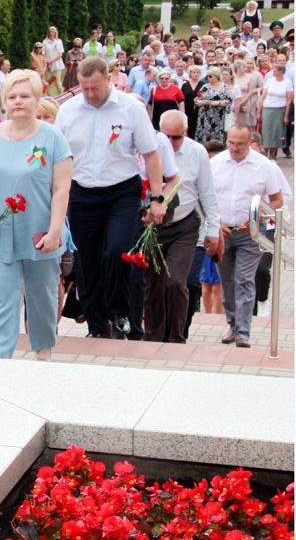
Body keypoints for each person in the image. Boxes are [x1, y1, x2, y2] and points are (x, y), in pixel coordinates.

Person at [0, 69, 72, 360]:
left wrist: (55, 230)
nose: (18, 102)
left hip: (39, 233)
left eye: (24, 96)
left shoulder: (53, 138)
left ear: (37, 99)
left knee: (42, 299)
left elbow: (62, 188)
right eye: (11, 96)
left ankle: (43, 355)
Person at [55, 57, 166, 339]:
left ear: (109, 79)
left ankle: (119, 311)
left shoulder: (130, 108)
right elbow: (57, 158)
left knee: (117, 251)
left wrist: (157, 198)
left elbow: (151, 155)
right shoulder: (67, 111)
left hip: (121, 191)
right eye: (84, 88)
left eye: (95, 87)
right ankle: (96, 325)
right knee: (87, 261)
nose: (90, 94)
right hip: (82, 192)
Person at [144, 110, 221, 343]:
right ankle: (154, 335)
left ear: (186, 133)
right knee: (154, 284)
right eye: (165, 135)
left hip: (184, 226)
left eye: (175, 137)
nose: (169, 142)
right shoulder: (148, 149)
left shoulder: (197, 153)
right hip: (154, 227)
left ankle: (177, 337)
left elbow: (207, 193)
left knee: (176, 281)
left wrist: (213, 230)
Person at [211, 126, 284, 348]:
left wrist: (257, 217)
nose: (234, 147)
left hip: (250, 233)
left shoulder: (264, 166)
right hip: (222, 232)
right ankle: (232, 325)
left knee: (244, 279)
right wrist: (215, 222)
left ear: (249, 141)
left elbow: (277, 200)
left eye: (240, 144)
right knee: (227, 281)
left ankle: (243, 332)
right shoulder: (216, 163)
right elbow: (205, 196)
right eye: (231, 142)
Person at [259, 57, 294, 161]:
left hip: (280, 109)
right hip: (267, 108)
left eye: (275, 70)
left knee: (277, 132)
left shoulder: (287, 82)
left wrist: (286, 115)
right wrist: (259, 111)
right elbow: (263, 96)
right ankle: (265, 155)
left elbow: (289, 100)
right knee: (266, 131)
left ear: (281, 72)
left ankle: (273, 156)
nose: (273, 72)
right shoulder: (269, 80)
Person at [195, 66, 231, 143]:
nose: (208, 78)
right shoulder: (204, 87)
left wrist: (218, 103)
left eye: (210, 76)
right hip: (205, 117)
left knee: (217, 138)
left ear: (216, 76)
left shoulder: (224, 87)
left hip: (218, 118)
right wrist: (205, 102)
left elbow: (229, 101)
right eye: (207, 76)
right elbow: (197, 99)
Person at [234, 57, 263, 129]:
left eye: (251, 63)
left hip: (248, 100)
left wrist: (243, 101)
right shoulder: (234, 77)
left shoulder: (254, 76)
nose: (248, 66)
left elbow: (260, 88)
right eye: (247, 64)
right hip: (235, 101)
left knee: (248, 122)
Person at [181, 65, 206, 139]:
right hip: (187, 111)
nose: (196, 74)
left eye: (198, 72)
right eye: (194, 72)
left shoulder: (204, 85)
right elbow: (182, 99)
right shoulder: (185, 85)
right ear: (190, 73)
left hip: (199, 111)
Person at [43, 27, 65, 97]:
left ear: (56, 32)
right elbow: (43, 54)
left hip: (57, 65)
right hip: (47, 65)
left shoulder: (59, 41)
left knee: (57, 82)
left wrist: (51, 62)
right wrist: (47, 63)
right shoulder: (45, 42)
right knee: (49, 82)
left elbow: (60, 54)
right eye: (50, 31)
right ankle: (50, 97)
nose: (51, 33)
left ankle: (62, 95)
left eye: (53, 31)